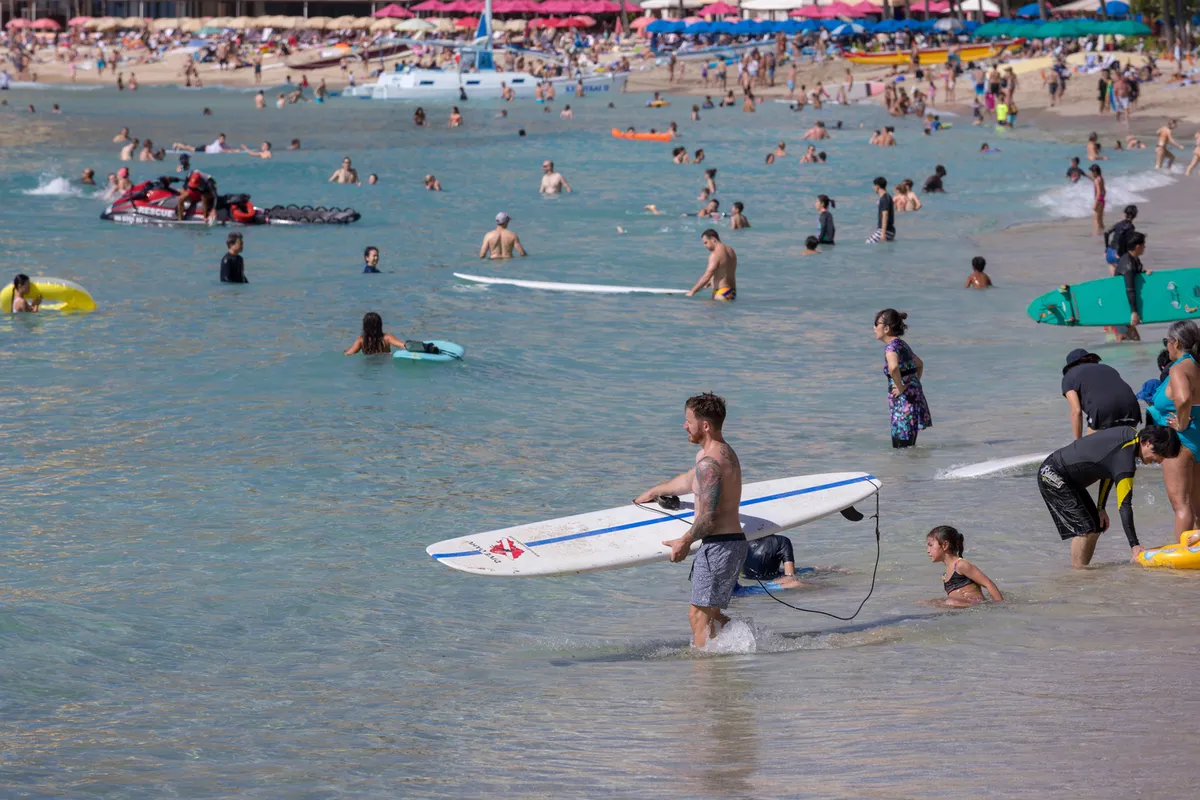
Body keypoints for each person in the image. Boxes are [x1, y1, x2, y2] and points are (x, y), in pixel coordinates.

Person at [633, 393, 746, 648]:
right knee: (711, 616)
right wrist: (654, 492)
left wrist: (684, 542)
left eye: (688, 421)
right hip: (730, 543)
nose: (685, 426)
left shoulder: (709, 463)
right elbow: (688, 481)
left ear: (704, 425)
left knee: (698, 617)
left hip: (719, 546)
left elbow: (708, 517)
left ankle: (704, 679)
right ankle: (749, 644)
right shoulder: (721, 453)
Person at [1037, 425, 1180, 568]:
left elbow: (1108, 470)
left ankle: (1084, 571)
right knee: (1085, 528)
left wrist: (1101, 507)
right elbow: (1124, 505)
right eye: (1161, 454)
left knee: (1096, 526)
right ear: (1148, 443)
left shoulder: (1129, 434)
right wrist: (1134, 545)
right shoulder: (1125, 460)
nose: (1160, 461)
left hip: (1067, 478)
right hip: (1052, 474)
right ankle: (1078, 575)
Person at [1147, 320, 1200, 536]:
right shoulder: (1196, 366)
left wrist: (1182, 422)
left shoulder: (1179, 368)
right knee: (1197, 507)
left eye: (1166, 342)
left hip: (1179, 441)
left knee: (1181, 505)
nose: (1166, 346)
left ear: (1175, 342)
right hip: (1197, 437)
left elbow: (1184, 398)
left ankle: (1180, 565)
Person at [874, 308, 931, 448]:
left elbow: (893, 368)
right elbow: (919, 364)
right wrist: (913, 383)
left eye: (876, 324)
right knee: (909, 446)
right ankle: (913, 470)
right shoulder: (901, 344)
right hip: (913, 397)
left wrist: (900, 387)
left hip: (903, 403)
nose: (874, 328)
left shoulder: (891, 348)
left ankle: (907, 470)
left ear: (886, 328)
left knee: (901, 447)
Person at [1061, 349, 1140, 441]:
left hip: (1103, 411)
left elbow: (1076, 411)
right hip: (1132, 407)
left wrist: (1077, 442)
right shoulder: (1108, 368)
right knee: (1124, 447)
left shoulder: (1069, 376)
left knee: (1089, 449)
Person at [925, 526, 1003, 607]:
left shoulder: (960, 565)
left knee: (950, 602)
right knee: (928, 602)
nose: (928, 550)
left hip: (977, 605)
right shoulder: (946, 574)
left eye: (930, 545)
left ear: (945, 545)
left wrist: (1000, 605)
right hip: (964, 606)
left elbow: (988, 583)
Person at [1113, 232, 1149, 338]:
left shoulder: (1131, 258)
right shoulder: (1129, 265)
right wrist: (1134, 312)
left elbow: (1134, 278)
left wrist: (1143, 273)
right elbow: (1130, 289)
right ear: (1138, 246)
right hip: (1120, 304)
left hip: (1122, 303)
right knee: (1127, 337)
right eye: (1144, 245)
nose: (1144, 247)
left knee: (1130, 338)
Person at [687, 229, 737, 301]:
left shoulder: (715, 254)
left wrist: (692, 291)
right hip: (731, 292)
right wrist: (711, 281)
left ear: (713, 239)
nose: (705, 246)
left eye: (706, 242)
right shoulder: (731, 250)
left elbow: (706, 276)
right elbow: (725, 271)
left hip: (721, 293)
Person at [743, 534, 807, 589]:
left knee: (807, 570)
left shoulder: (740, 541)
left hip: (746, 579)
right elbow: (790, 575)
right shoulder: (781, 540)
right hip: (768, 582)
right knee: (796, 581)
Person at [867, 177, 895, 243]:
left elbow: (885, 215)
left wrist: (883, 233)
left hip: (886, 230)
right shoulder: (887, 196)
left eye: (874, 186)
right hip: (890, 230)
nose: (873, 188)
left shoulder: (884, 198)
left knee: (868, 243)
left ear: (877, 186)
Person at [1090, 164, 1106, 237]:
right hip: (1102, 200)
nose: (1091, 173)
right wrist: (1102, 199)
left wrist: (1095, 203)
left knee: (1096, 220)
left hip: (1099, 200)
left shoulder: (1096, 180)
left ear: (1095, 172)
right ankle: (1103, 233)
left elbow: (1099, 192)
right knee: (1100, 220)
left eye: (1092, 172)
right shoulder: (1101, 178)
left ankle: (1096, 235)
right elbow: (1104, 191)